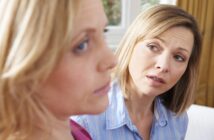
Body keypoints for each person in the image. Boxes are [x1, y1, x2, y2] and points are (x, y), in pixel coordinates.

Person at [73, 4, 202, 140]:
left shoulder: (177, 120)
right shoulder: (84, 121)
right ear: (132, 45)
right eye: (153, 47)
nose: (163, 66)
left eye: (178, 57)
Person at [0, 0, 117, 140]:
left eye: (103, 32)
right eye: (82, 45)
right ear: (26, 65)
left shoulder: (75, 130)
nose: (111, 61)